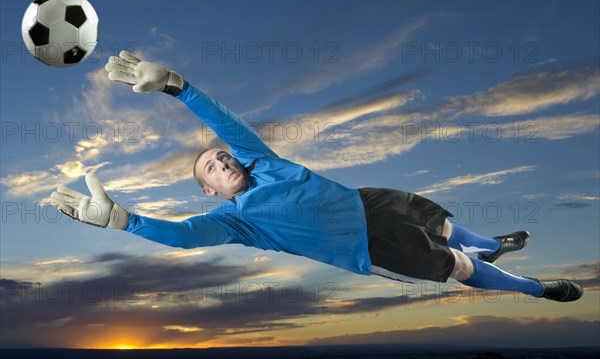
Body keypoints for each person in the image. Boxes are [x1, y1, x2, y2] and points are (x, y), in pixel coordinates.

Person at [49, 51, 583, 303]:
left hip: (364, 199)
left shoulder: (261, 161)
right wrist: (123, 220)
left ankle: (497, 244)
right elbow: (184, 236)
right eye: (211, 167)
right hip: (364, 246)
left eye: (221, 156)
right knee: (459, 264)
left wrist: (175, 85)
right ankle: (535, 289)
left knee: (441, 223)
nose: (222, 160)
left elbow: (226, 123)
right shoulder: (237, 221)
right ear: (210, 191)